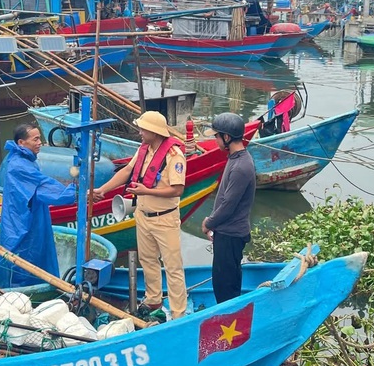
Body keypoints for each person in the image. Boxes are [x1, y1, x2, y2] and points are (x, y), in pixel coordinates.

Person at [93, 111, 188, 319]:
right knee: (147, 260)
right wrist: (103, 190)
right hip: (143, 215)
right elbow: (127, 171)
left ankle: (178, 312)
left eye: (143, 129)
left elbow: (177, 189)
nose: (140, 132)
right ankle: (153, 299)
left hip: (165, 218)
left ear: (154, 131)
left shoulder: (174, 156)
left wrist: (147, 191)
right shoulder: (143, 149)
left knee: (173, 267)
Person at [0, 123, 77, 287]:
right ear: (21, 143)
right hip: (22, 223)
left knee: (36, 257)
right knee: (24, 261)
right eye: (35, 139)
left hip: (31, 216)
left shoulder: (23, 160)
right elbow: (43, 187)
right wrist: (74, 192)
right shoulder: (19, 166)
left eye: (39, 138)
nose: (40, 142)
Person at [201, 113, 257, 303]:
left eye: (217, 136)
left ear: (226, 137)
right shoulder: (235, 159)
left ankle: (231, 318)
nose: (215, 140)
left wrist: (208, 222)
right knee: (222, 281)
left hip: (231, 235)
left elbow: (228, 206)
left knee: (226, 287)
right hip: (225, 233)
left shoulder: (241, 166)